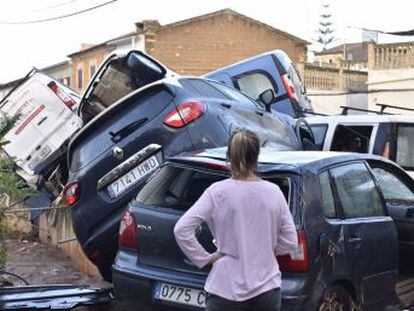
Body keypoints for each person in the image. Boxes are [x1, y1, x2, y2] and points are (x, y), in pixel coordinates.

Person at [174, 129, 298, 311]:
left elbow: (181, 229)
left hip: (226, 289)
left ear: (229, 157)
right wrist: (264, 249)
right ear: (256, 156)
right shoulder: (274, 192)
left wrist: (205, 259)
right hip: (267, 290)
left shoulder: (217, 192)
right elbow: (290, 242)